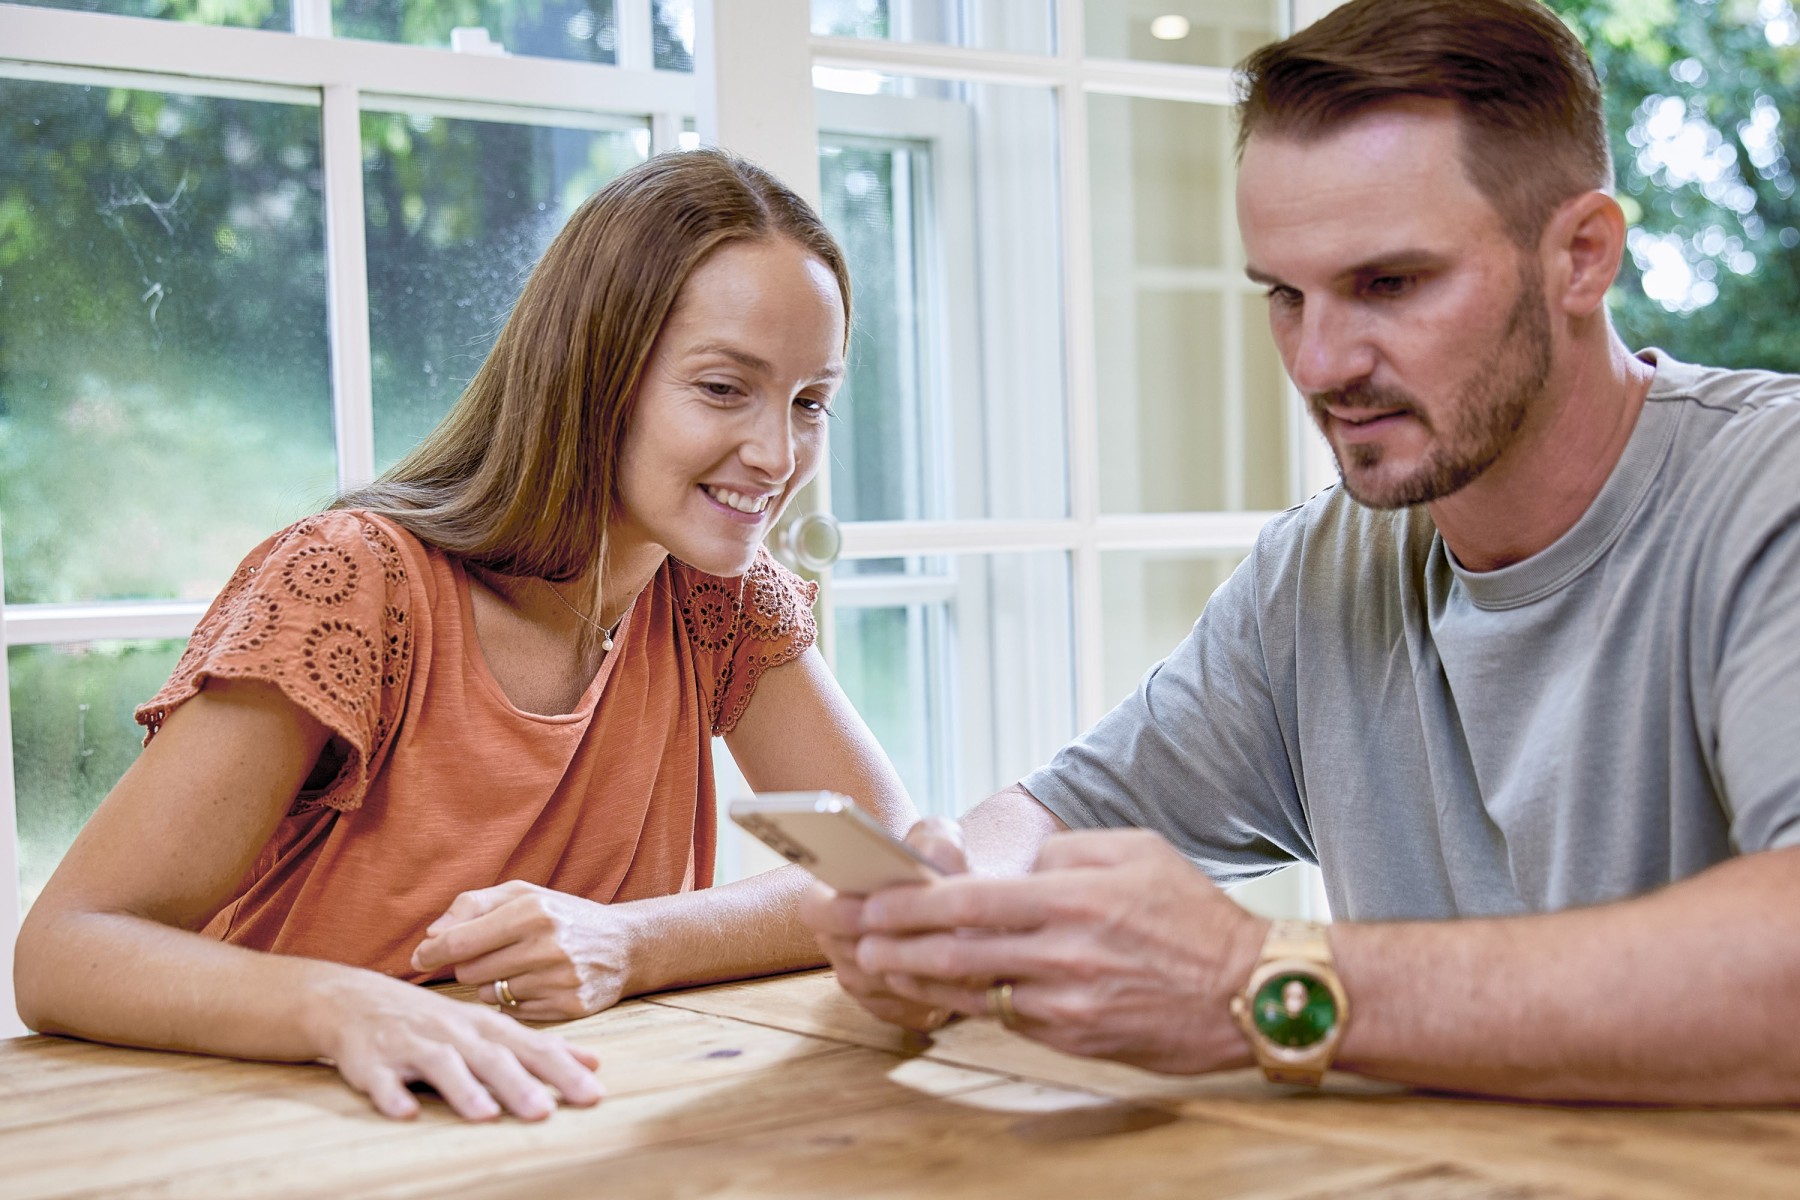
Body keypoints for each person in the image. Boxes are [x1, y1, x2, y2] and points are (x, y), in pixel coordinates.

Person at [802, 0, 1800, 1103]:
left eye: (1390, 284)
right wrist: (947, 916)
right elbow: (1054, 818)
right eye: (1285, 294)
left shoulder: (1770, 496)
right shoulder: (1326, 570)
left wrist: (1264, 983)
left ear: (1582, 255)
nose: (1319, 364)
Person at [15, 150, 915, 1122]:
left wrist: (631, 942)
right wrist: (342, 1004)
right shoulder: (355, 581)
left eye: (810, 401)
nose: (780, 456)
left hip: (560, 1132)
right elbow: (67, 947)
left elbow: (883, 872)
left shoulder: (721, 598)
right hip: (289, 1134)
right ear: (597, 371)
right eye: (722, 388)